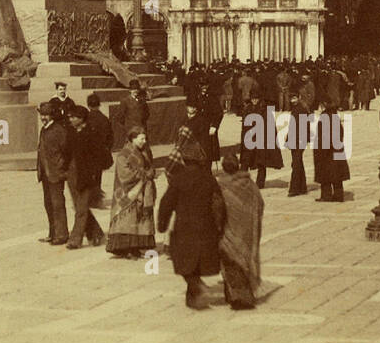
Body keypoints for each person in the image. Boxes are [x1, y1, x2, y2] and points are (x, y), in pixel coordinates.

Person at [157, 134, 225, 310]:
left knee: (182, 260)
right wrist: (220, 226)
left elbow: (166, 203)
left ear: (185, 160)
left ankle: (196, 286)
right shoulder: (209, 179)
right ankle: (193, 296)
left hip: (184, 228)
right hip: (206, 227)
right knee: (195, 261)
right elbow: (218, 204)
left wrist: (162, 224)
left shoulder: (178, 178)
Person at [216, 154, 266, 310]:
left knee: (230, 263)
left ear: (223, 167)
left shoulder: (222, 186)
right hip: (246, 231)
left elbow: (217, 209)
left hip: (228, 232)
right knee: (244, 262)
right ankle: (240, 294)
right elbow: (260, 203)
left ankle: (238, 297)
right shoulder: (250, 184)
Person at [107, 125, 156, 258]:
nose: (144, 141)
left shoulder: (145, 152)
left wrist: (151, 172)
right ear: (133, 138)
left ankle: (137, 247)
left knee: (139, 220)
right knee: (128, 220)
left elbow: (150, 167)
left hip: (142, 190)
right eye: (141, 139)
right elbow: (124, 174)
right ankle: (126, 248)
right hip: (127, 193)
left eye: (145, 139)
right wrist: (144, 174)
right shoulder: (123, 154)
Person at [65, 105, 106, 250]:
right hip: (72, 174)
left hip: (86, 175)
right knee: (79, 207)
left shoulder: (91, 133)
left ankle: (75, 240)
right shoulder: (71, 132)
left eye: (73, 117)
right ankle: (96, 233)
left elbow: (100, 156)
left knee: (81, 209)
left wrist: (94, 174)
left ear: (81, 119)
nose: (70, 119)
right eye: (70, 117)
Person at [36, 98, 71, 245]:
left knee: (57, 204)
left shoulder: (58, 130)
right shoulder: (44, 129)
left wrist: (61, 167)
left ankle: (62, 235)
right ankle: (52, 233)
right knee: (49, 204)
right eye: (42, 115)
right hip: (45, 173)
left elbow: (66, 151)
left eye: (46, 115)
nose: (43, 118)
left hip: (56, 173)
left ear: (51, 115)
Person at [312, 97, 349, 202]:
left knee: (325, 174)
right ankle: (339, 195)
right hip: (336, 150)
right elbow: (341, 133)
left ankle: (326, 195)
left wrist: (320, 150)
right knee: (337, 175)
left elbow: (322, 135)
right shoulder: (335, 116)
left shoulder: (324, 117)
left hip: (326, 151)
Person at [83, 94, 114, 207]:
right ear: (99, 104)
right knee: (98, 176)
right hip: (100, 152)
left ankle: (88, 199)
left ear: (88, 105)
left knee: (88, 176)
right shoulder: (104, 119)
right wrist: (106, 149)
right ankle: (96, 200)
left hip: (88, 153)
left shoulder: (85, 119)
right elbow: (111, 137)